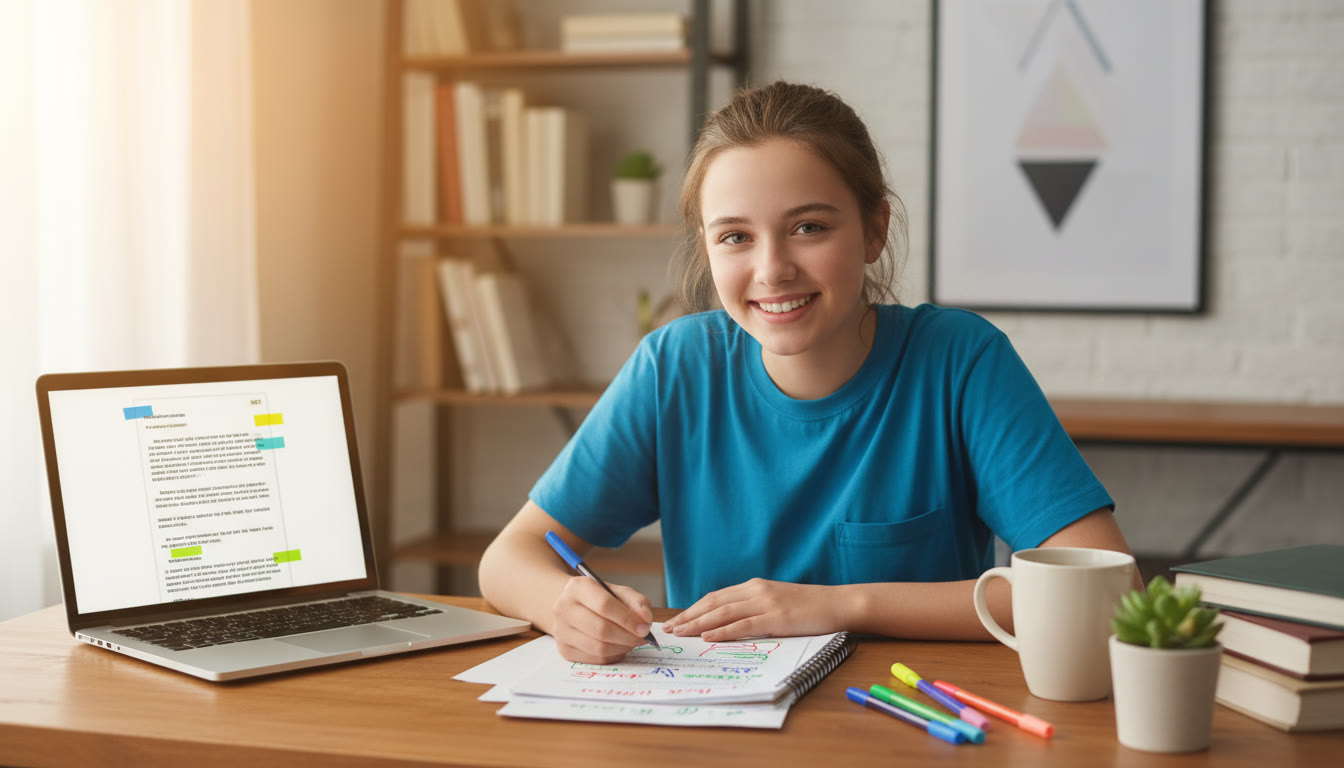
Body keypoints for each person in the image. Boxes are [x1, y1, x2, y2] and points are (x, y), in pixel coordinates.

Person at [479, 81, 1135, 665]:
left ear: (873, 230)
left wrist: (841, 605)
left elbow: (1106, 590)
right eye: (735, 237)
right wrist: (565, 604)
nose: (771, 270)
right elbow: (508, 560)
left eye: (808, 227)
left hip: (909, 723)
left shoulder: (959, 362)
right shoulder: (672, 368)